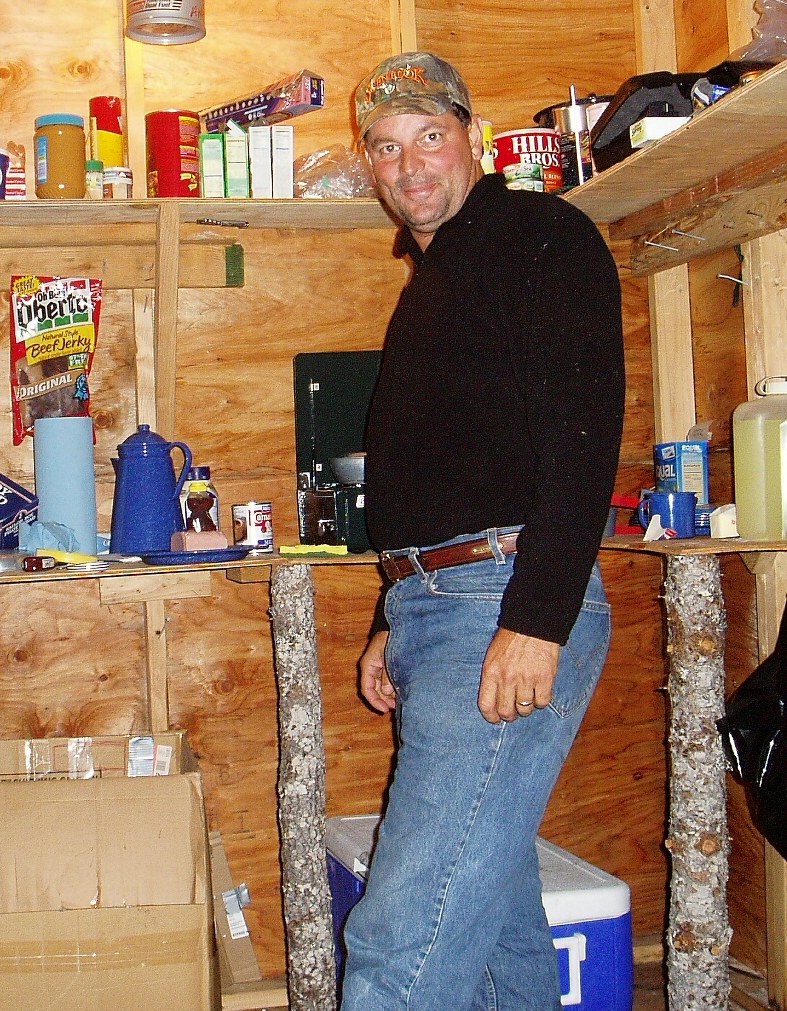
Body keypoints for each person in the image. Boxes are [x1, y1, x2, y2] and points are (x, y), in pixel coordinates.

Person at [340, 52, 625, 1011]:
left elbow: (584, 438)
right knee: (496, 922)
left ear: (472, 136)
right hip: (439, 606)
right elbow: (436, 474)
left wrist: (536, 619)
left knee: (400, 937)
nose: (410, 164)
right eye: (387, 147)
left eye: (430, 135)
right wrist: (390, 616)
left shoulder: (541, 235)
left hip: (501, 599)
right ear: (370, 165)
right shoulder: (432, 282)